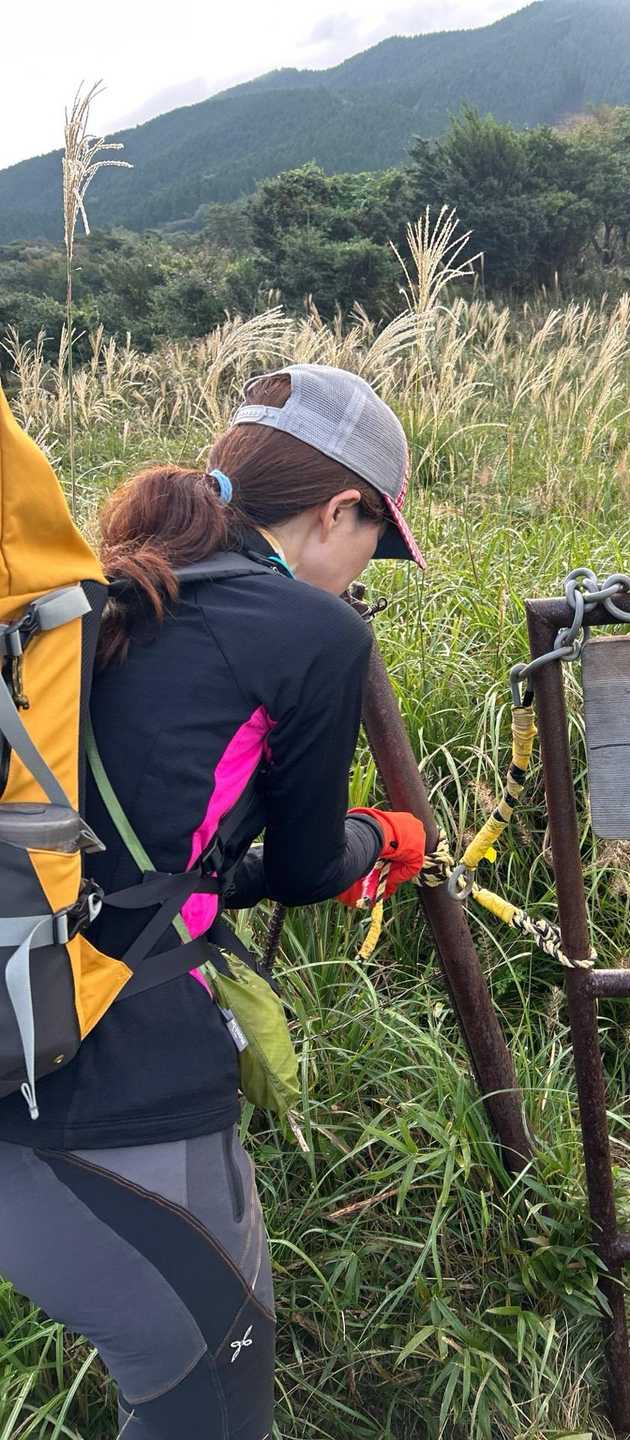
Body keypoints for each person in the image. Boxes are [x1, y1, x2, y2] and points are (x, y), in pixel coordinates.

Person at [0, 364, 428, 1439]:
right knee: (209, 1405)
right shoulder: (316, 635)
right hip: (118, 1086)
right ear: (339, 510)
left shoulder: (99, 597)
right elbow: (306, 866)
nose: (366, 570)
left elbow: (152, 854)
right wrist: (382, 839)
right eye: (377, 539)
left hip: (18, 1021)